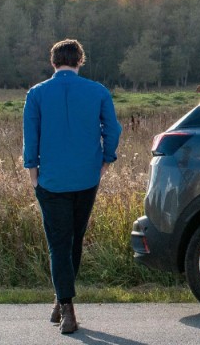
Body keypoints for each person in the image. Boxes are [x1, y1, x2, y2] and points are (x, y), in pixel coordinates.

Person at [22, 38, 122, 335]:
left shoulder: (37, 93)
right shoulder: (98, 91)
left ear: (53, 62)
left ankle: (65, 305)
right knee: (75, 239)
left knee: (58, 244)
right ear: (80, 60)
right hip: (86, 178)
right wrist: (106, 161)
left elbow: (31, 136)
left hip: (51, 180)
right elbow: (113, 129)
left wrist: (33, 174)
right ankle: (62, 300)